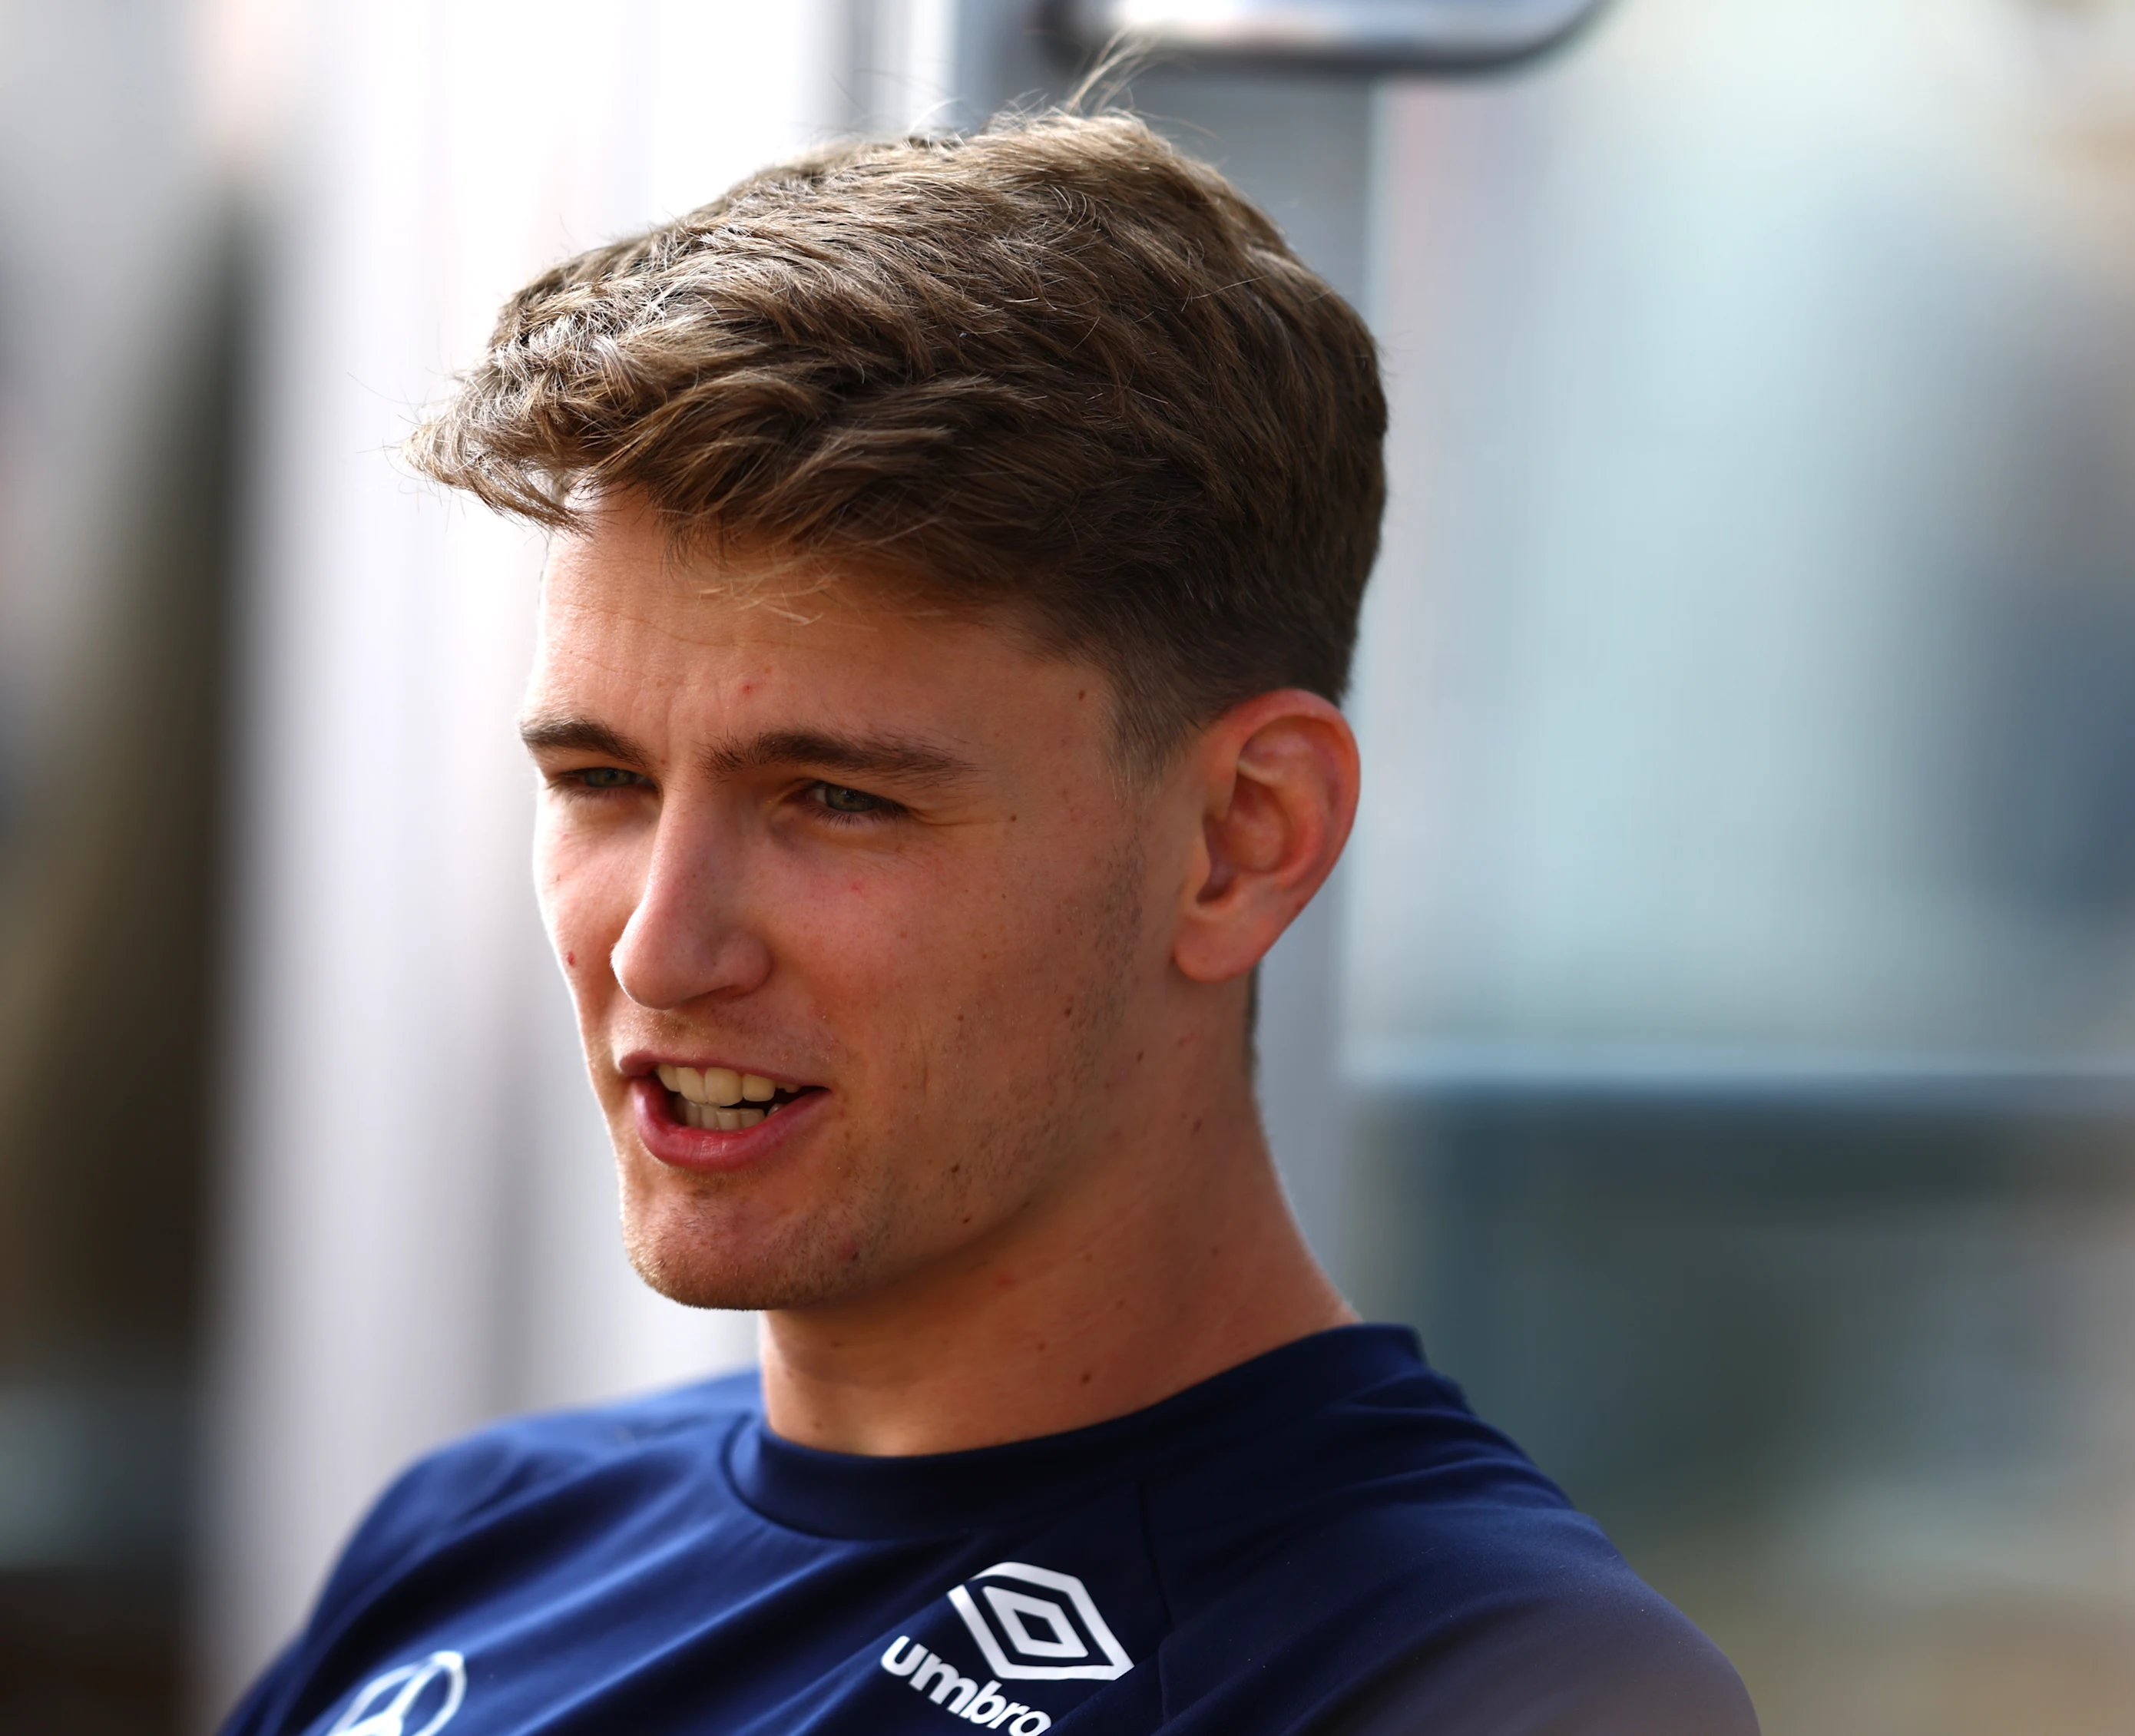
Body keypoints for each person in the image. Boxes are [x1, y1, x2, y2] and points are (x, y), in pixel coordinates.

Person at [218, 112, 1756, 1736]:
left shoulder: (1485, 1677)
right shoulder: (477, 1533)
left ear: (1243, 839)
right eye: (601, 779)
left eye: (832, 797)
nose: (660, 950)